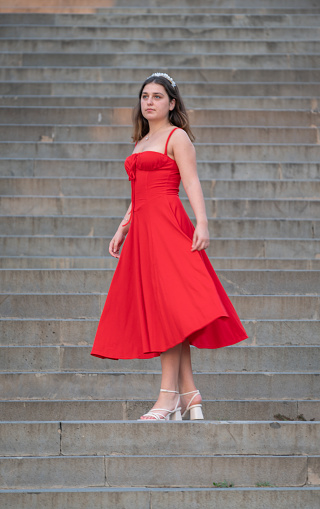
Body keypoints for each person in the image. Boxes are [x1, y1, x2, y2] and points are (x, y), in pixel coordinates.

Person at [91, 72, 248, 421]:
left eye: (157, 96)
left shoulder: (177, 138)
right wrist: (123, 226)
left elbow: (191, 182)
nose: (149, 101)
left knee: (170, 310)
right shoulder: (140, 142)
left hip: (168, 226)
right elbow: (137, 192)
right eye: (145, 96)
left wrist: (203, 223)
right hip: (143, 231)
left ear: (172, 103)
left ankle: (167, 398)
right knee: (168, 309)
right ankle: (190, 395)